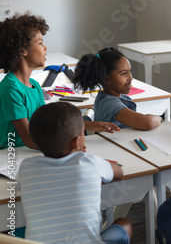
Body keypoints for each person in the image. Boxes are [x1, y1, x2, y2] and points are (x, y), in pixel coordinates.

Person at [0, 13, 119, 150]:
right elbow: (29, 139)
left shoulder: (34, 85)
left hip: (34, 149)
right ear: (23, 51)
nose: (45, 48)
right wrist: (68, 146)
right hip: (12, 155)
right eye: (40, 43)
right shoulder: (10, 90)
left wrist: (86, 125)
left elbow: (44, 124)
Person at [18, 102, 133, 243]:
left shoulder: (26, 168)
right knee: (124, 224)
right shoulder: (90, 162)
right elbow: (119, 173)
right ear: (76, 142)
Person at [73, 47, 162, 130]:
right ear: (106, 79)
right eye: (124, 74)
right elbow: (148, 123)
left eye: (130, 72)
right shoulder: (110, 104)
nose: (130, 78)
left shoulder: (113, 97)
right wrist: (159, 118)